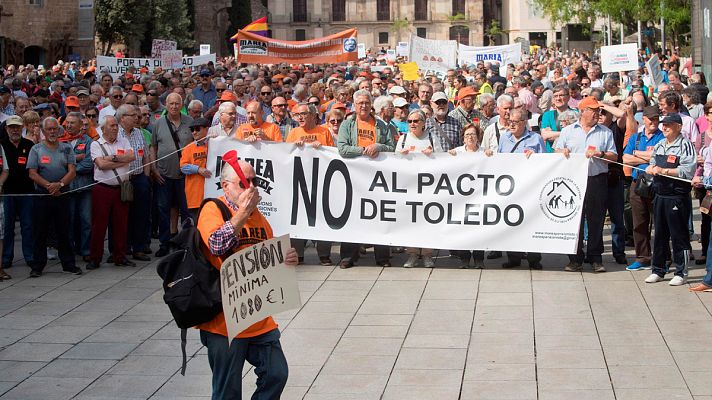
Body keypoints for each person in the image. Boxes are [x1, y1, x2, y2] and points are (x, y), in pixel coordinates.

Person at [197, 156, 297, 400]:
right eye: (244, 182)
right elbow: (216, 245)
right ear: (226, 186)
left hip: (258, 317)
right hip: (225, 323)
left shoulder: (259, 217)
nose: (251, 187)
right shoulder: (213, 209)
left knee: (277, 374)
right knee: (227, 391)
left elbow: (268, 258)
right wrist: (242, 212)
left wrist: (285, 259)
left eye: (254, 181)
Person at [556, 97, 618, 273]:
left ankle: (595, 257)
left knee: (596, 219)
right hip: (573, 181)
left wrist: (601, 154)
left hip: (596, 179)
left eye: (599, 110)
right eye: (594, 110)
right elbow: (557, 150)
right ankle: (575, 258)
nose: (598, 113)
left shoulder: (605, 132)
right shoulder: (568, 131)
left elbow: (614, 156)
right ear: (583, 111)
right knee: (574, 219)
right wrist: (563, 151)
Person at [337, 89, 394, 268]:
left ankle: (382, 257)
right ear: (354, 105)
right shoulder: (347, 125)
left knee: (379, 214)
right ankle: (348, 256)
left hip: (377, 177)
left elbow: (391, 147)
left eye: (367, 103)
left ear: (371, 105)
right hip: (354, 177)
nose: (363, 106)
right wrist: (363, 151)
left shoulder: (381, 125)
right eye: (360, 103)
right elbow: (343, 149)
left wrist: (378, 146)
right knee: (352, 215)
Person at [644, 113, 696, 286]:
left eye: (669, 125)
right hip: (660, 194)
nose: (664, 128)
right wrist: (651, 168)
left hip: (677, 196)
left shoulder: (685, 145)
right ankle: (658, 269)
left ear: (679, 127)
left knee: (679, 235)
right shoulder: (659, 144)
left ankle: (681, 271)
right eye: (663, 125)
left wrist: (665, 171)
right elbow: (651, 162)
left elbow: (688, 170)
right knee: (659, 234)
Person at [26, 117, 80, 277]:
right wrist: (49, 186)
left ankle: (69, 264)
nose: (52, 132)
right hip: (43, 195)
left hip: (62, 194)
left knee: (64, 230)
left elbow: (72, 171)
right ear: (43, 131)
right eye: (49, 129)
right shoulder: (36, 149)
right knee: (40, 231)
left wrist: (60, 185)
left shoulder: (66, 148)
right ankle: (37, 266)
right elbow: (32, 173)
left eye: (54, 129)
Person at [492, 108, 545, 269]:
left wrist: (534, 158)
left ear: (524, 122)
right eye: (510, 122)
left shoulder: (536, 138)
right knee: (511, 221)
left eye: (515, 122)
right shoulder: (504, 138)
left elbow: (545, 162)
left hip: (530, 188)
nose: (511, 125)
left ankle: (534, 259)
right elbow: (499, 160)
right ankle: (513, 257)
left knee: (531, 221)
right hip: (510, 188)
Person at [286, 103, 334, 265]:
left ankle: (324, 255)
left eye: (304, 114)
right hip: (299, 182)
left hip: (320, 182)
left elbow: (333, 156)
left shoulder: (324, 131)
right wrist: (294, 147)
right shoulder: (293, 133)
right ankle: (298, 254)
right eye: (297, 115)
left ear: (313, 115)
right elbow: (284, 157)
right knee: (298, 219)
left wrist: (323, 148)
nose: (300, 117)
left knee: (321, 218)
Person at [86, 115, 136, 270]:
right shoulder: (96, 144)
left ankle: (119, 256)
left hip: (121, 188)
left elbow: (132, 157)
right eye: (112, 125)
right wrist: (122, 159)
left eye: (116, 125)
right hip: (103, 189)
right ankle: (95, 257)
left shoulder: (124, 141)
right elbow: (101, 164)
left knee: (121, 224)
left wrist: (112, 158)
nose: (115, 128)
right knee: (99, 225)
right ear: (103, 129)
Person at [396, 110, 443, 268]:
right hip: (409, 188)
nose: (412, 124)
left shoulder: (431, 137)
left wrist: (433, 154)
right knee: (411, 221)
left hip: (428, 188)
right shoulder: (403, 139)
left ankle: (428, 255)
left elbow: (443, 159)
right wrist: (400, 155)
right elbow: (393, 162)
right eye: (410, 121)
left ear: (423, 123)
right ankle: (412, 254)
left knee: (427, 221)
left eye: (416, 121)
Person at [623, 106, 665, 271]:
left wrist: (637, 154)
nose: (654, 122)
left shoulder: (662, 137)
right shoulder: (636, 137)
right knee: (639, 222)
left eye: (656, 119)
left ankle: (664, 256)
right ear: (644, 120)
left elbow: (660, 157)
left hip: (657, 183)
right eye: (651, 119)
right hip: (638, 183)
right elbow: (626, 158)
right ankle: (643, 258)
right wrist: (648, 155)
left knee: (660, 222)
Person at [151, 93, 193, 257]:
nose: (174, 106)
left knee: (186, 211)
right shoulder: (159, 123)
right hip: (164, 175)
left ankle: (185, 244)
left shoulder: (189, 122)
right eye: (171, 103)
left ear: (181, 105)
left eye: (177, 103)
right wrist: (154, 169)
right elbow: (153, 146)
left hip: (185, 176)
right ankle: (164, 243)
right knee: (163, 211)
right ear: (166, 105)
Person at [448, 123, 485, 268]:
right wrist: (448, 156)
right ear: (463, 138)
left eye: (473, 134)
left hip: (479, 196)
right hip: (461, 197)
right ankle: (464, 258)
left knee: (479, 228)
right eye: (467, 135)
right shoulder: (456, 152)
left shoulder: (484, 152)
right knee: (462, 227)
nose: (470, 137)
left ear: (478, 137)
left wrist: (491, 156)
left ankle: (479, 259)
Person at [1, 115, 35, 271]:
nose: (14, 130)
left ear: (22, 128)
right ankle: (6, 257)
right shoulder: (1, 145)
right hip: (7, 193)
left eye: (17, 127)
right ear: (6, 129)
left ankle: (29, 256)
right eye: (11, 127)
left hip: (26, 192)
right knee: (7, 227)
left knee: (27, 225)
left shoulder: (29, 145)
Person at [118, 105, 152, 261]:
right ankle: (121, 249)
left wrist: (145, 176)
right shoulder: (116, 134)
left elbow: (146, 156)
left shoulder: (139, 133)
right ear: (123, 117)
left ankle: (139, 248)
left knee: (141, 214)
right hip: (123, 180)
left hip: (139, 177)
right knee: (123, 215)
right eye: (133, 115)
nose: (137, 118)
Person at [61, 111, 93, 261]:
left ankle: (86, 250)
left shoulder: (88, 142)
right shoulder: (61, 142)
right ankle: (70, 249)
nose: (68, 125)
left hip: (84, 187)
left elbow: (88, 163)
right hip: (67, 188)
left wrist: (71, 169)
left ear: (81, 125)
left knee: (86, 220)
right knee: (69, 220)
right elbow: (59, 163)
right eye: (67, 122)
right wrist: (75, 159)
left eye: (72, 123)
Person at [180, 117, 211, 222]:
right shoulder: (188, 148)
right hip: (195, 196)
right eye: (192, 130)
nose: (194, 132)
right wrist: (198, 169)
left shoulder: (214, 144)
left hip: (212, 194)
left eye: (197, 129)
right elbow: (183, 167)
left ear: (207, 129)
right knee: (198, 225)